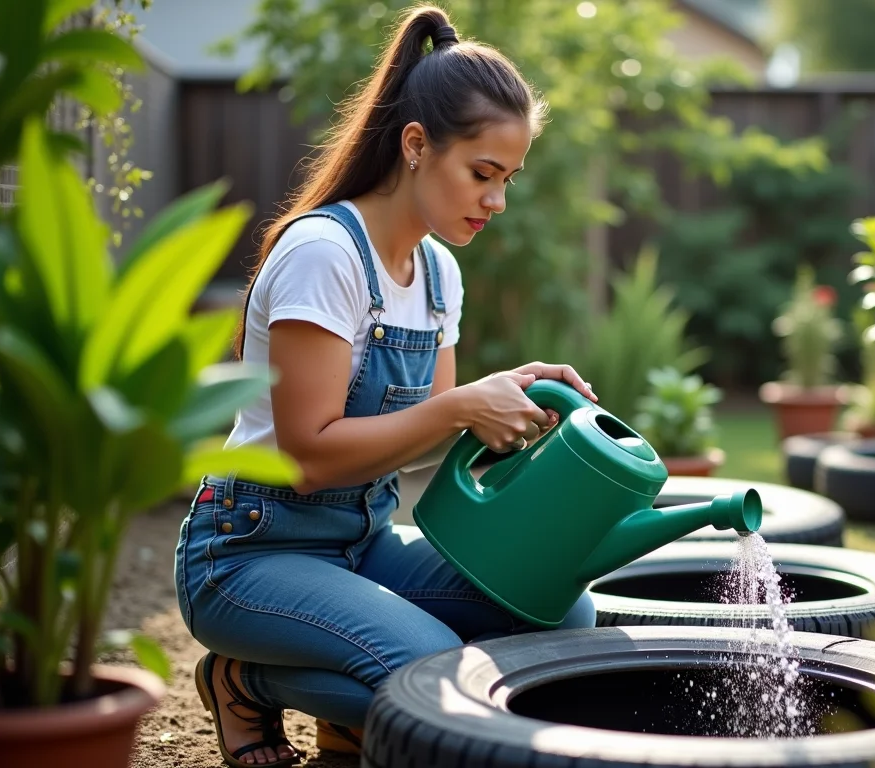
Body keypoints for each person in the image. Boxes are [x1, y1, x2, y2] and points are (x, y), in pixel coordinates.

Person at [173, 6, 598, 765]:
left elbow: (420, 442)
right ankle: (246, 679)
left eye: (508, 179)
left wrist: (505, 400)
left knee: (565, 615)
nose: (496, 201)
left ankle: (345, 713)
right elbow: (309, 455)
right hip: (248, 552)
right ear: (415, 145)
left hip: (361, 543)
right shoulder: (324, 254)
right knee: (433, 681)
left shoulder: (439, 274)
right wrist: (461, 405)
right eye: (482, 174)